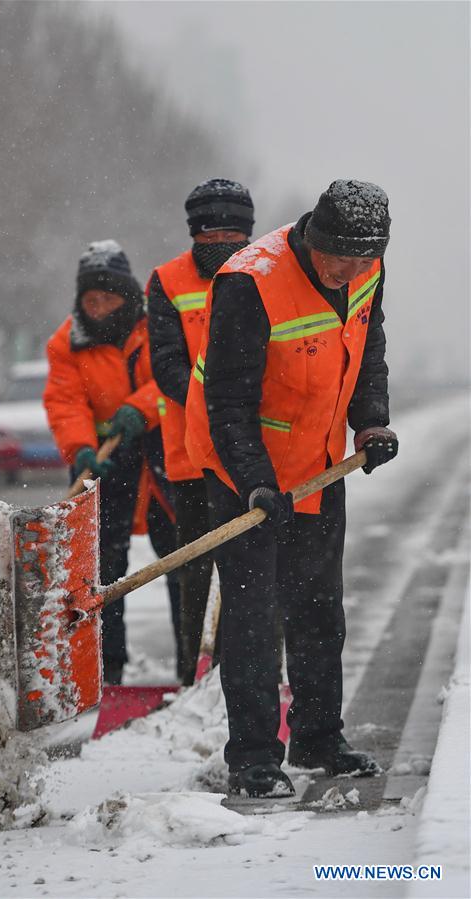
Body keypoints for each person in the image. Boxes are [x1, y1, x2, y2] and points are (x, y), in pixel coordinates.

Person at [185, 180, 399, 797]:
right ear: (312, 240)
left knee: (318, 609)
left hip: (319, 465)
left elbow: (367, 350)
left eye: (365, 261)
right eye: (343, 261)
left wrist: (371, 420)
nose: (352, 273)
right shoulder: (249, 283)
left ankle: (317, 736)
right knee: (253, 619)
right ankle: (253, 756)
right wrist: (255, 482)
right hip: (244, 471)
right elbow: (226, 402)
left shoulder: (366, 268)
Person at [43, 240, 180, 685]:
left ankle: (190, 666)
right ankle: (107, 668)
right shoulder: (68, 342)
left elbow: (175, 377)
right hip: (102, 461)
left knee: (177, 556)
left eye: (109, 297)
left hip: (162, 451)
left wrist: (140, 408)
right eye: (90, 299)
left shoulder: (157, 326)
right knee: (99, 568)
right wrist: (81, 448)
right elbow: (65, 401)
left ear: (128, 296)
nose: (99, 307)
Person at [147, 178, 256, 684]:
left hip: (253, 456)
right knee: (195, 571)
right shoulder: (166, 281)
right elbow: (166, 364)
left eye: (232, 237)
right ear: (194, 235)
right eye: (210, 238)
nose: (221, 246)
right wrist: (220, 398)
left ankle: (252, 676)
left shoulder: (266, 275)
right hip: (191, 456)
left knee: (254, 576)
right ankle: (192, 675)